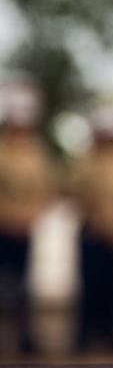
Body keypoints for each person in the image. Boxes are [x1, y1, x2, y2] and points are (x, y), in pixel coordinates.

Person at [69, 108, 113, 350]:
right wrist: (94, 220)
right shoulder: (85, 162)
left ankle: (111, 332)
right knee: (90, 285)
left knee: (111, 286)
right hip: (92, 232)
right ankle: (84, 335)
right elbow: (75, 193)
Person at [0, 87, 52, 353]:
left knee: (23, 288)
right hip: (3, 229)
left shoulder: (36, 153)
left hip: (25, 230)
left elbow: (44, 188)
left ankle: (24, 337)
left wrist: (32, 214)